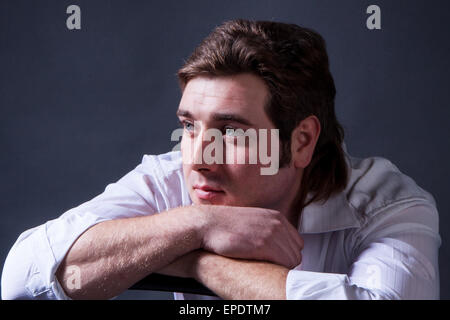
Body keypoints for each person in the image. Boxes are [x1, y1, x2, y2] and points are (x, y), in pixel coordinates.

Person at [1, 19, 440, 300]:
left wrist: (196, 261)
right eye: (190, 126)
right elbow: (22, 280)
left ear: (303, 140)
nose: (199, 159)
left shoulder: (387, 205)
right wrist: (197, 226)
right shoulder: (172, 178)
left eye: (232, 131)